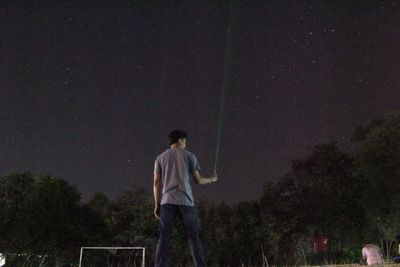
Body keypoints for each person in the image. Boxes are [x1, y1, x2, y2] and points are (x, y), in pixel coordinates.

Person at [153, 130, 218, 267]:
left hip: (167, 201)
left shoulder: (160, 158)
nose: (185, 144)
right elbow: (198, 181)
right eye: (185, 141)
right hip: (186, 202)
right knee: (193, 237)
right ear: (180, 140)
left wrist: (157, 205)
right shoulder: (190, 156)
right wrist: (213, 179)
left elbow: (156, 183)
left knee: (164, 237)